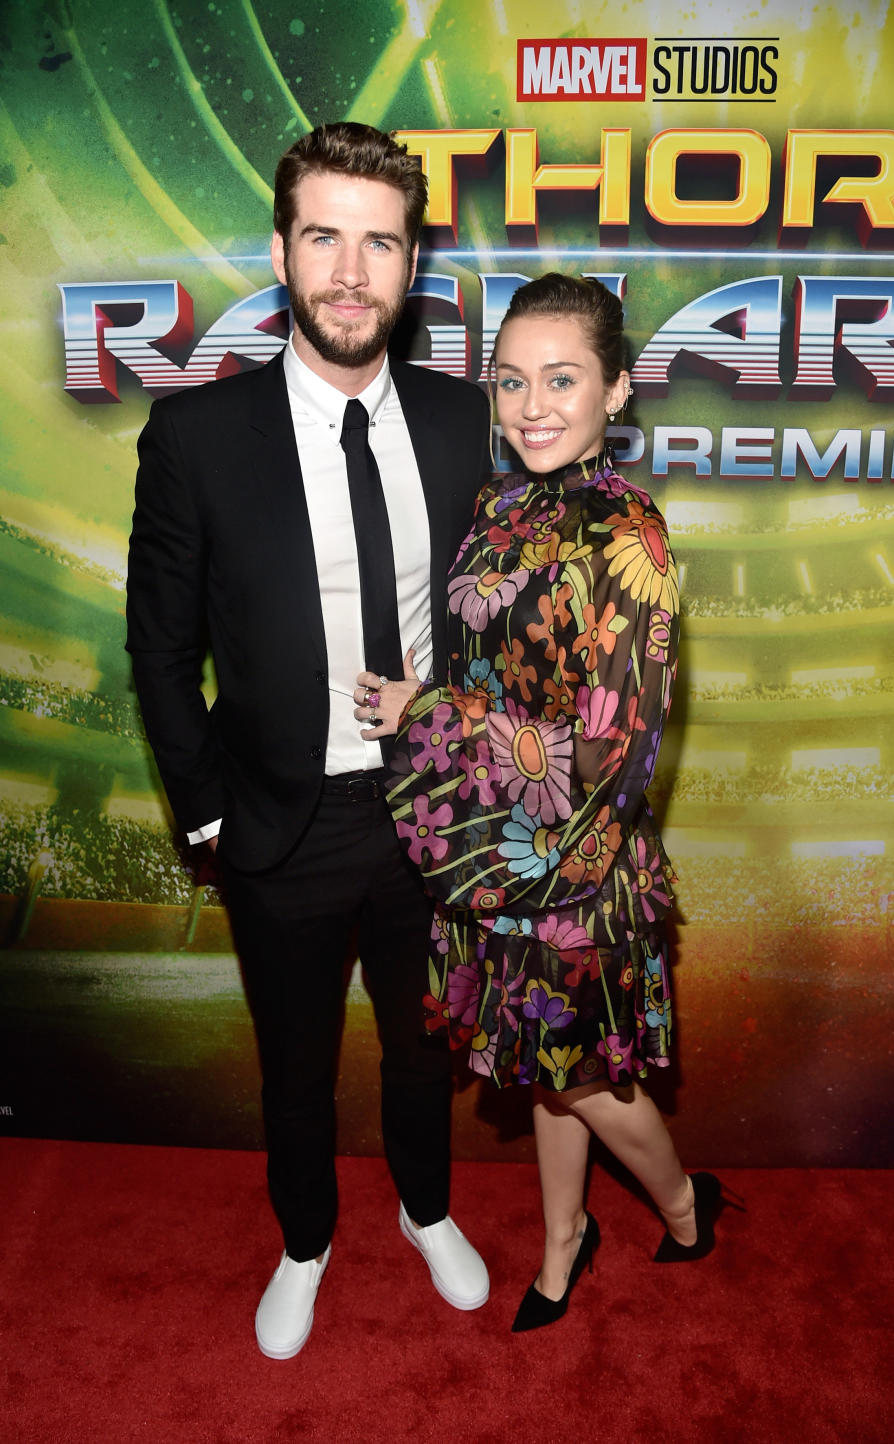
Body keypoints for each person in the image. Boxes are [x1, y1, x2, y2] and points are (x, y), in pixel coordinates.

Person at [126, 121, 490, 1360]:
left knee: (421, 1044)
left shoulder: (466, 423)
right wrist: (213, 816)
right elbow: (160, 653)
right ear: (281, 252)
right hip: (279, 818)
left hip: (434, 809)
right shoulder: (196, 440)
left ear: (411, 261)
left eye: (378, 241)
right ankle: (304, 1240)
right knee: (294, 1066)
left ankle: (427, 1207)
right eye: (324, 236)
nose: (350, 269)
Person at [356, 274, 734, 1333]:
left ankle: (682, 1201)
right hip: (490, 852)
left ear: (617, 389)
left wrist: (426, 713)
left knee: (591, 1084)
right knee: (546, 1073)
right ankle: (567, 1236)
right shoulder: (496, 503)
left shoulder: (631, 536)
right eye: (512, 379)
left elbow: (611, 749)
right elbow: (483, 670)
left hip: (576, 868)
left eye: (561, 379)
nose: (531, 405)